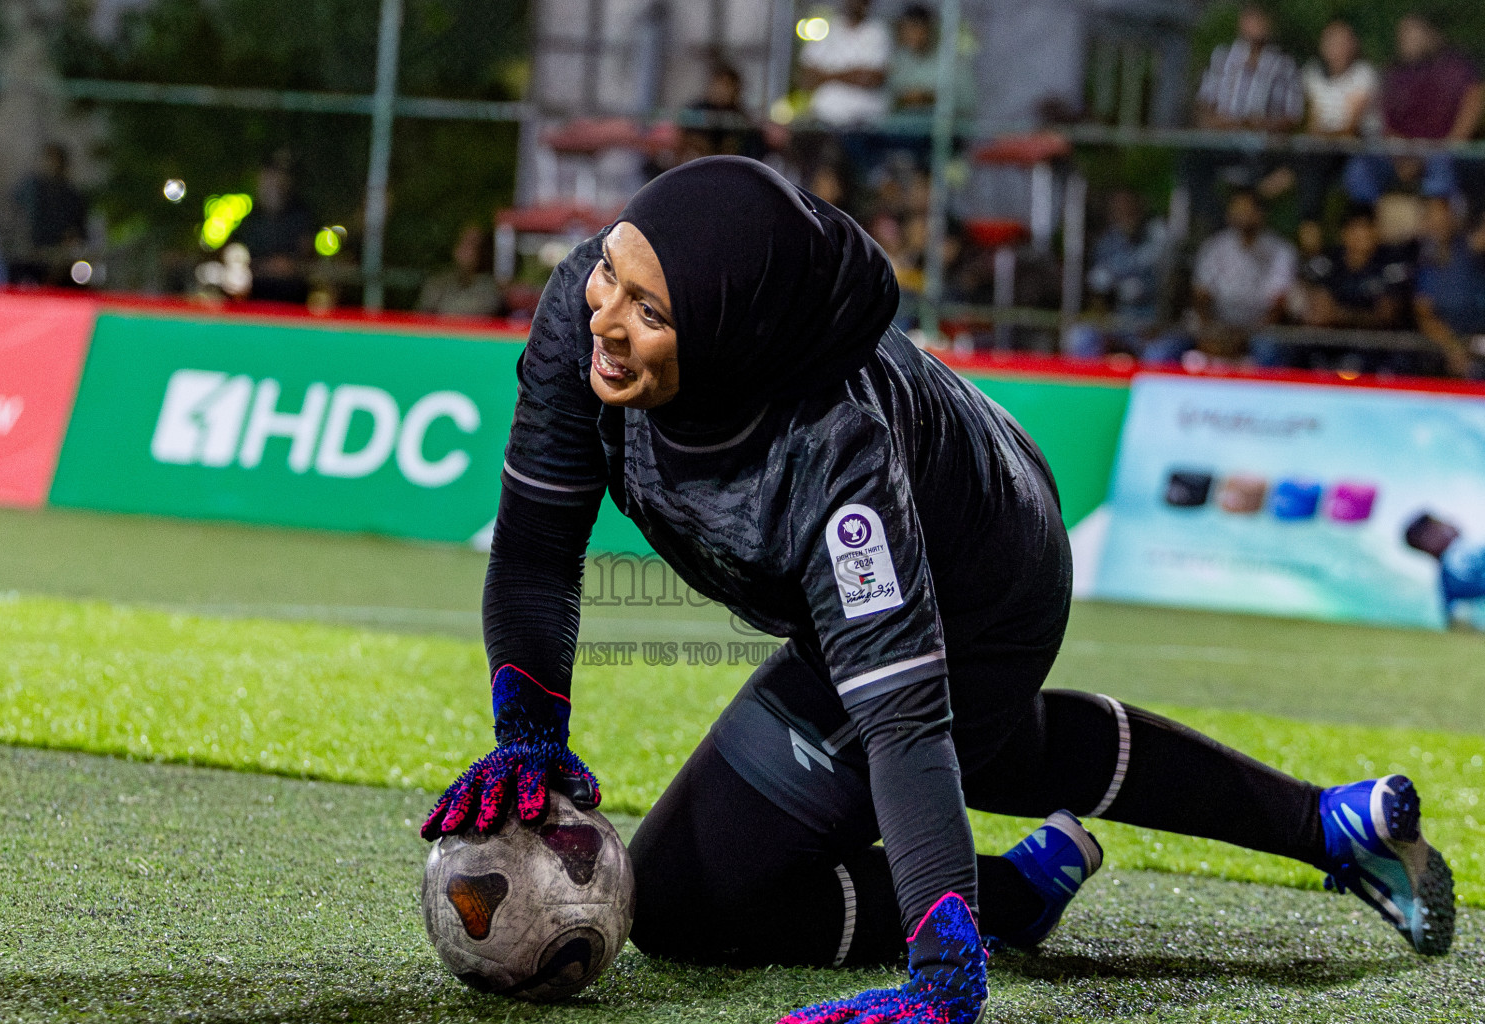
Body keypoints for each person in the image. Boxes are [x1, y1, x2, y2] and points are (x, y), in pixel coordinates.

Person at [417, 157, 1455, 1022]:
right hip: (955, 480)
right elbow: (537, 548)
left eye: (648, 307)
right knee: (999, 748)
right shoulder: (577, 317)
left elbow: (906, 724)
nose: (605, 312)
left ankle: (994, 905)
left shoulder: (834, 463)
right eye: (610, 271)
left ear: (729, 331)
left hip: (988, 580)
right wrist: (528, 733)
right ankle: (1331, 824)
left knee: (701, 895)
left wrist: (942, 971)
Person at [1182, 5, 1303, 233]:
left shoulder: (1283, 65)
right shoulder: (1222, 58)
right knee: (1191, 161)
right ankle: (1217, 225)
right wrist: (1215, 121)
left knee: (1277, 176)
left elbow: (1292, 115)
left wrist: (1254, 123)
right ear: (1242, 22)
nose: (1255, 25)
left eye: (1260, 19)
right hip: (1222, 142)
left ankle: (1249, 224)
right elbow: (1204, 103)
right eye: (1251, 18)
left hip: (1261, 146)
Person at [1254, 206, 1415, 373]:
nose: (1361, 235)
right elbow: (1315, 305)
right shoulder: (1328, 261)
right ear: (1344, 233)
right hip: (1328, 344)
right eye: (1355, 229)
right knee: (1285, 349)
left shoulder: (1391, 263)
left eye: (1366, 227)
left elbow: (1387, 316)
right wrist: (1315, 307)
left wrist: (1339, 314)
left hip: (1375, 348)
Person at [1344, 15, 1483, 207]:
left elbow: (1474, 101)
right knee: (1359, 169)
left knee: (1443, 166)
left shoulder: (1456, 68)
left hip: (1443, 152)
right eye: (1402, 33)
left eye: (1412, 32)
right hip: (1402, 153)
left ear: (1432, 35)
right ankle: (1365, 223)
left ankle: (1437, 225)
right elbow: (1387, 126)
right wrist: (1403, 158)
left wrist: (1443, 148)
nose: (1405, 38)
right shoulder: (1395, 74)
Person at [1066, 189, 1187, 364]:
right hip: (1118, 324)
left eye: (1129, 207)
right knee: (1081, 336)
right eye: (1118, 208)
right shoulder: (1106, 245)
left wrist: (1161, 326)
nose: (1124, 212)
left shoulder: (1161, 239)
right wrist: (1106, 325)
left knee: (1159, 353)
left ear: (1140, 208)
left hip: (1157, 325)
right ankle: (1088, 388)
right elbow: (1097, 296)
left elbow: (1178, 291)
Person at [1296, 21, 1378, 249]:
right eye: (1332, 42)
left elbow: (1352, 129)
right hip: (1324, 152)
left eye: (1343, 42)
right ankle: (1312, 249)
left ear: (1353, 46)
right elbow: (1312, 123)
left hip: (1358, 151)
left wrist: (1326, 133)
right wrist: (1326, 133)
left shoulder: (1364, 74)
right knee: (1307, 170)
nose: (1337, 48)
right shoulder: (1312, 73)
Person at [1192, 189, 1297, 361]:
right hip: (1218, 326)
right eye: (1237, 210)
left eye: (1247, 210)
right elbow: (1201, 296)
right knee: (1167, 350)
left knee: (1269, 351)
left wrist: (1244, 338)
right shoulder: (1215, 247)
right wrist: (1209, 331)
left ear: (1260, 214)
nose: (1242, 215)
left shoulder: (1280, 250)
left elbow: (1279, 305)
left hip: (1260, 329)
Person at [1413, 196, 1485, 378]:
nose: (1439, 222)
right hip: (1444, 346)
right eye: (1433, 216)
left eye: (1444, 216)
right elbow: (1424, 313)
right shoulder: (1423, 260)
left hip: (1478, 337)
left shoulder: (1469, 246)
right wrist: (1453, 347)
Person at [799, 0, 891, 128]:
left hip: (864, 125)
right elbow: (806, 78)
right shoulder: (827, 28)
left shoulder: (878, 32)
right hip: (822, 121)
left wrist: (826, 75)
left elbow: (871, 79)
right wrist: (853, 73)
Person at [235, 161, 315, 305]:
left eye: (275, 179)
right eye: (265, 180)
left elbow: (303, 260)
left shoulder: (300, 215)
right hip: (255, 301)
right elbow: (236, 256)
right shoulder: (251, 219)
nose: (270, 185)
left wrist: (287, 266)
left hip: (293, 302)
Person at [10, 143, 89, 286]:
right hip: (35, 256)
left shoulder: (71, 195)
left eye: (56, 161)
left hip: (63, 259)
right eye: (49, 160)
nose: (52, 166)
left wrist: (69, 244)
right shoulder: (33, 191)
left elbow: (78, 232)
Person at [885, 4, 972, 116]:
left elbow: (967, 103)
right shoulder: (897, 61)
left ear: (929, 29)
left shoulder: (951, 61)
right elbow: (886, 99)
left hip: (941, 128)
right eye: (908, 29)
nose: (913, 35)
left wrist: (930, 98)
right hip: (900, 128)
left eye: (918, 28)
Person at [1405, 513, 1485, 628]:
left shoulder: (1446, 581)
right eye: (1441, 524)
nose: (1451, 522)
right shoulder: (1459, 554)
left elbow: (1456, 621)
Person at [418, 225, 504, 318]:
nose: (463, 250)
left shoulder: (492, 287)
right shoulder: (439, 281)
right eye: (462, 242)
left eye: (472, 244)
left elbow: (462, 315)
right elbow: (421, 316)